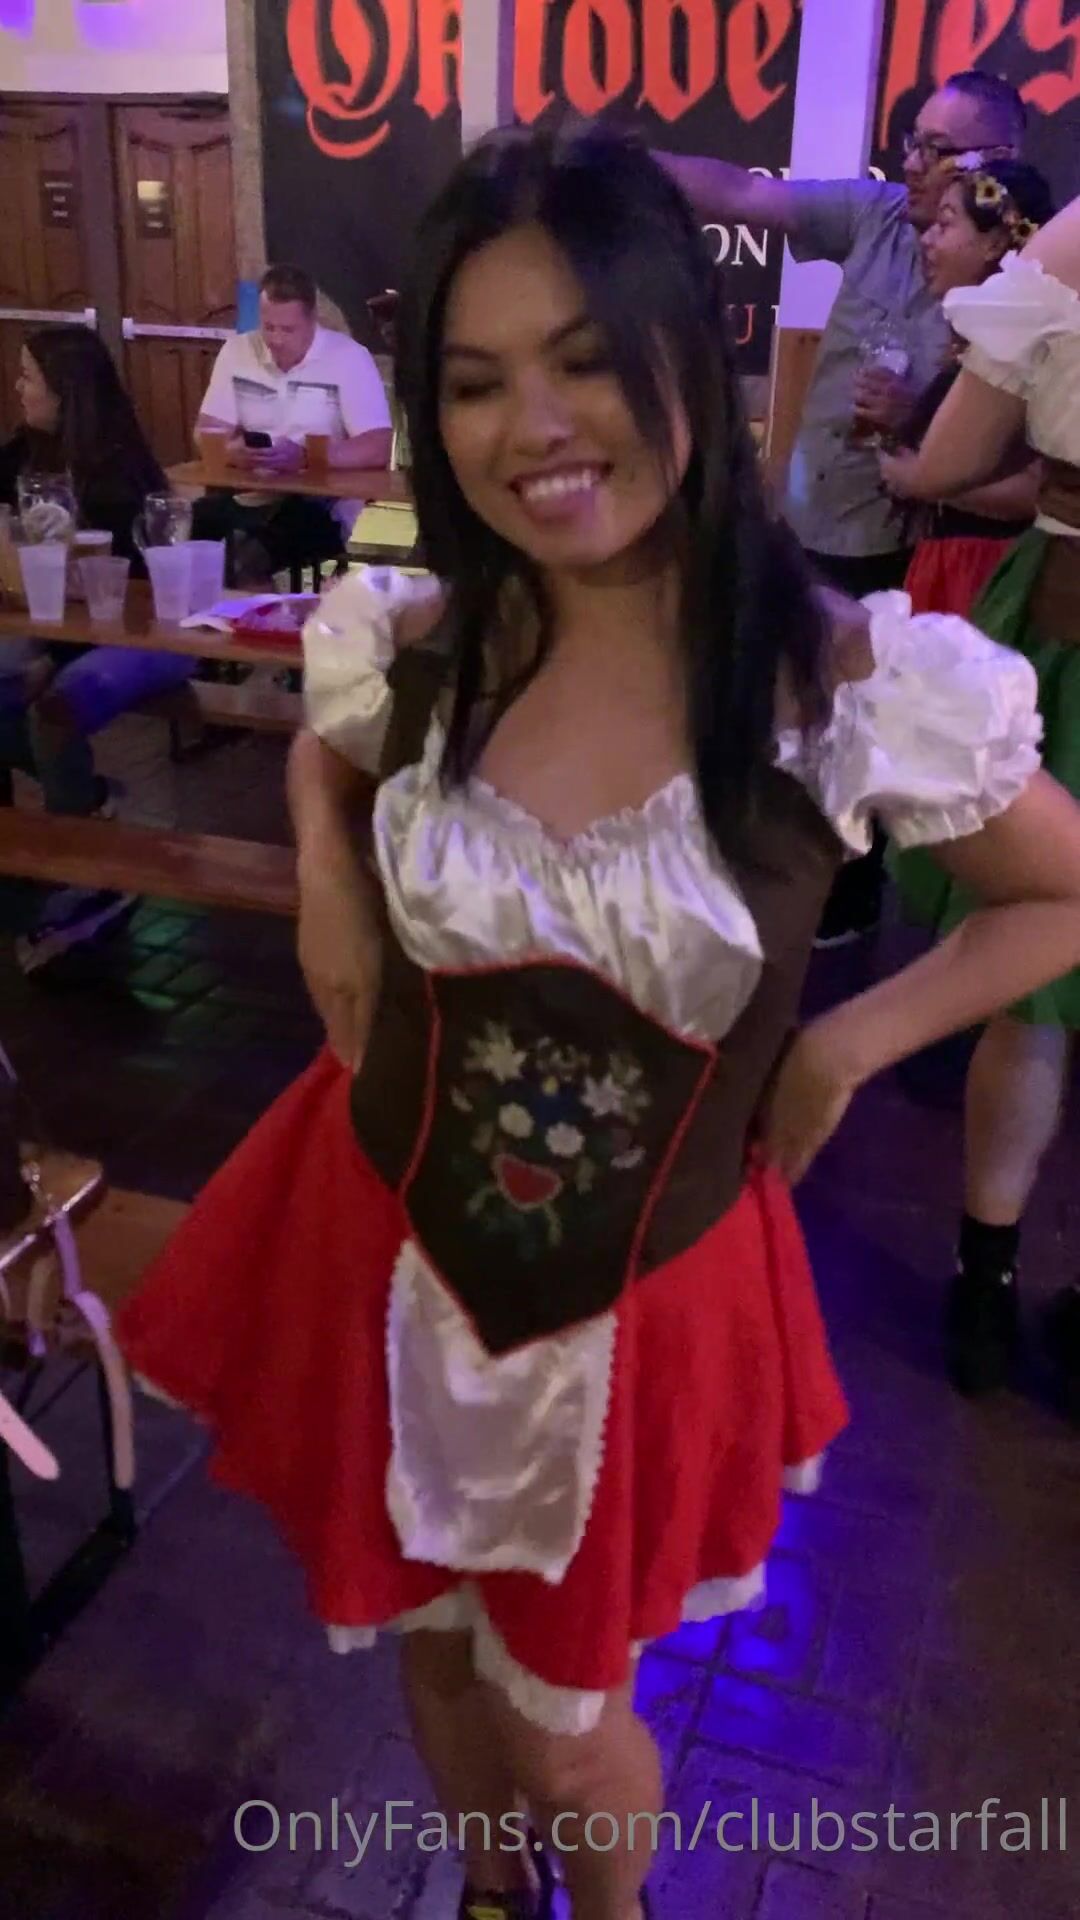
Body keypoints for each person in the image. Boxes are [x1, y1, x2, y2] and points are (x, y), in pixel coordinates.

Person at [117, 130, 1080, 1920]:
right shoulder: (416, 638)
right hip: (385, 1237)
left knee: (569, 1722)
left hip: (640, 1291)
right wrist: (325, 862)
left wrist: (844, 1046)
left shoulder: (840, 683)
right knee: (426, 1634)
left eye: (581, 359)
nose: (534, 427)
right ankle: (490, 1893)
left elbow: (1063, 892)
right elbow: (333, 750)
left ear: (681, 360)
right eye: (476, 381)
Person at [661, 68, 1027, 944]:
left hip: (913, 549)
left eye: (938, 149)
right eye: (911, 142)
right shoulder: (875, 218)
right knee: (783, 713)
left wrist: (919, 441)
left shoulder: (1025, 282)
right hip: (811, 520)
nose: (913, 163)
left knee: (867, 734)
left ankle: (849, 914)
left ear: (998, 161)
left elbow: (1026, 451)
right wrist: (619, 163)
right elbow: (743, 193)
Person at [872, 193, 1080, 1419]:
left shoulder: (1070, 244)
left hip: (1071, 624)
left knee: (1031, 976)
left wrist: (904, 460)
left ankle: (986, 1292)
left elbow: (948, 464)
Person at [0, 326, 196, 974]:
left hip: (147, 634)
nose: (19, 387)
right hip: (58, 629)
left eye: (29, 377)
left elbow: (121, 596)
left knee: (52, 707)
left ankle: (80, 862)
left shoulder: (116, 470)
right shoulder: (27, 453)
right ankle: (69, 822)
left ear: (66, 391)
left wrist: (46, 660)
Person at [883, 160, 1053, 617]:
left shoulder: (1020, 353)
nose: (927, 240)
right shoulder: (974, 346)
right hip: (947, 564)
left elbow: (1035, 493)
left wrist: (921, 479)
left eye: (945, 224)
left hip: (984, 573)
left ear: (995, 242)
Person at [194, 264, 393, 583]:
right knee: (186, 536)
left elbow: (377, 446)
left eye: (287, 330)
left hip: (321, 504)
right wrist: (232, 452)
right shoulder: (237, 351)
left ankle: (259, 611)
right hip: (250, 493)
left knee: (247, 557)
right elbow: (205, 432)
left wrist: (305, 457)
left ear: (313, 321)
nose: (275, 339)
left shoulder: (349, 357)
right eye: (268, 327)